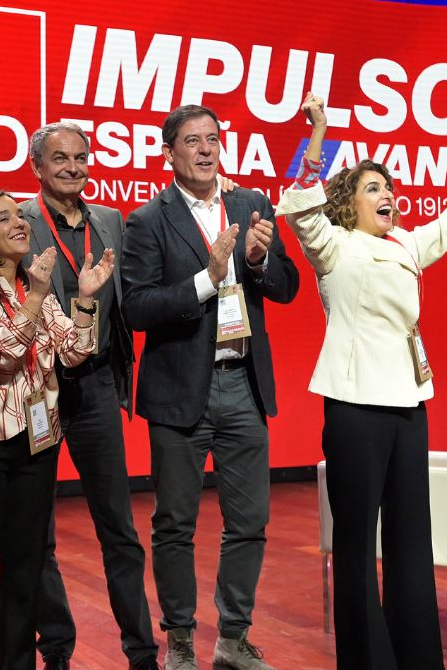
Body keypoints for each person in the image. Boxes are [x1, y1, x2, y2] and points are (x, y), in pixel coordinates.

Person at [277, 96, 447, 669]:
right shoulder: (332, 246)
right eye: (372, 189)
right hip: (355, 403)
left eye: (389, 188)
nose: (388, 196)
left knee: (411, 536)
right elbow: (302, 205)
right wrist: (320, 135)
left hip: (409, 400)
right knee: (357, 542)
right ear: (348, 204)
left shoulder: (406, 243)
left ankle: (418, 657)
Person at [120, 104, 299, 670]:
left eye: (213, 139)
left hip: (243, 384)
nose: (206, 149)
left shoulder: (251, 205)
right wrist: (208, 276)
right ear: (169, 152)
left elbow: (288, 287)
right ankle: (178, 641)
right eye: (192, 141)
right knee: (175, 523)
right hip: (180, 394)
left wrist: (259, 258)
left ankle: (233, 636)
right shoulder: (149, 220)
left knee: (250, 522)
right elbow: (138, 307)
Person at [0, 189, 113, 669]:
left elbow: (77, 352)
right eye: (4, 217)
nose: (20, 223)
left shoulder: (35, 287)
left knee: (25, 572)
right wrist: (35, 297)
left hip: (35, 446)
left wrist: (85, 300)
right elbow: (3, 351)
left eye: (20, 215)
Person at [17, 123, 158, 670]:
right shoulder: (17, 220)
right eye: (60, 159)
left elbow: (123, 306)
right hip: (41, 387)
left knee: (119, 529)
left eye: (80, 157)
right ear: (38, 167)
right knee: (37, 532)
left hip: (96, 385)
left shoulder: (110, 222)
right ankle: (56, 648)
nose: (73, 167)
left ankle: (141, 652)